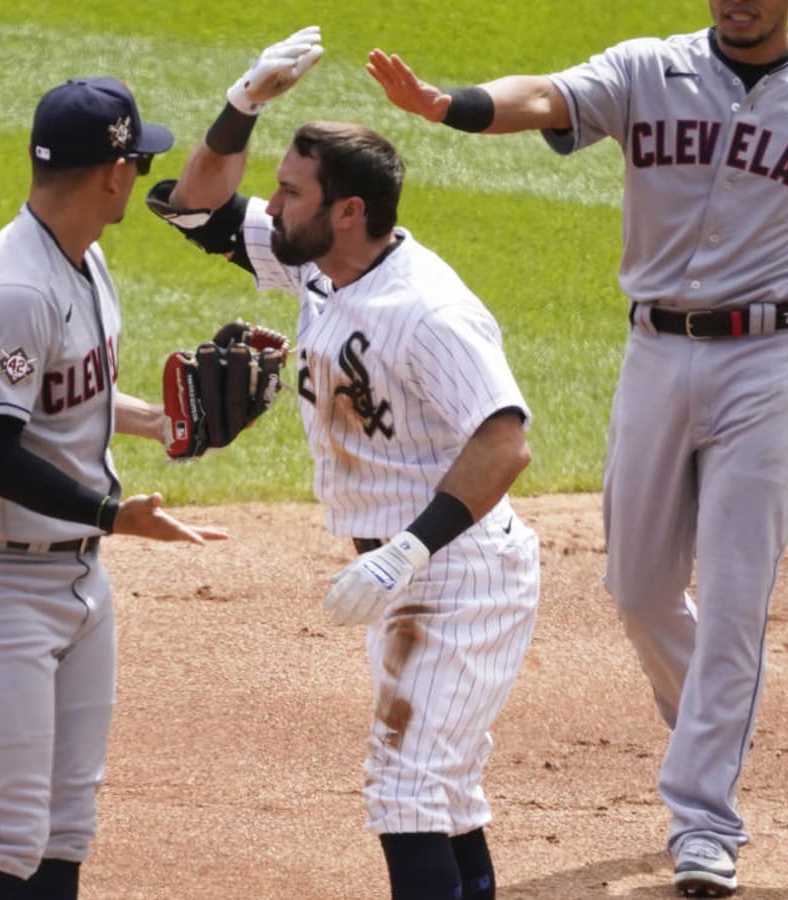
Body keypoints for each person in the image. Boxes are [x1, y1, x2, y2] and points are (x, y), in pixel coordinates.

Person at [367, 2, 788, 895]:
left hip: (768, 365)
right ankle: (709, 721)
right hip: (656, 357)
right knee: (637, 589)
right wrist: (453, 106)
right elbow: (547, 97)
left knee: (737, 595)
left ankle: (704, 822)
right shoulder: (646, 70)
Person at [145, 27, 540, 900]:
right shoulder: (319, 268)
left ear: (347, 210)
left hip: (458, 570)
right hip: (412, 572)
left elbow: (503, 440)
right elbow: (191, 209)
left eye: (289, 194)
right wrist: (242, 104)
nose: (272, 206)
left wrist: (409, 550)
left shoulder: (427, 309)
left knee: (405, 796)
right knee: (441, 797)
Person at [0, 76, 229, 900]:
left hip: (78, 580)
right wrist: (113, 514)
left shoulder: (81, 261)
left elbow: (62, 397)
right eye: (138, 160)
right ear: (114, 176)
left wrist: (156, 421)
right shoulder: (14, 290)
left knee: (61, 836)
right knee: (6, 839)